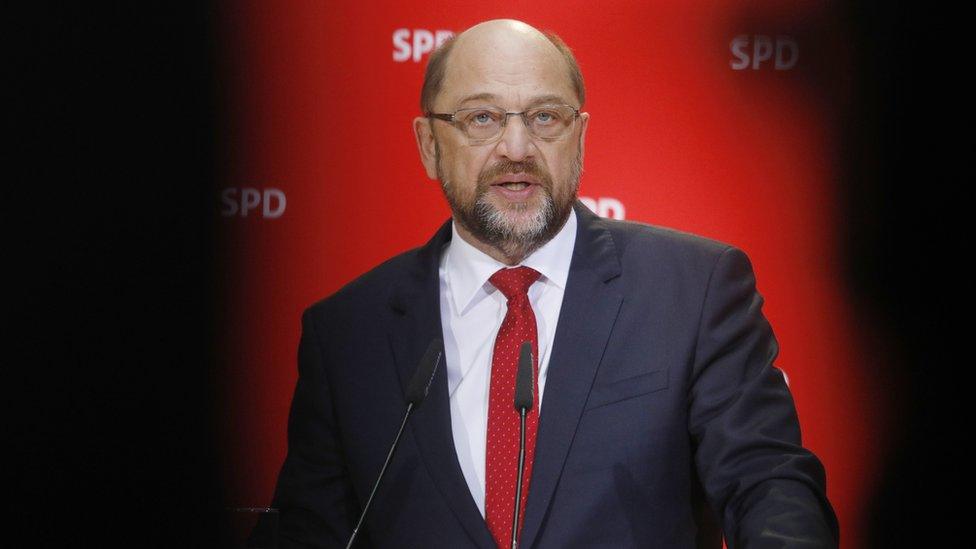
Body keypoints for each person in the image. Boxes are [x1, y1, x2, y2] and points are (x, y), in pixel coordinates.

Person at [265, 19, 838, 548]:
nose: (517, 149)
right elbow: (308, 530)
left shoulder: (693, 290)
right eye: (481, 118)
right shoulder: (347, 332)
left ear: (580, 138)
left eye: (545, 117)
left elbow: (769, 484)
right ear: (428, 146)